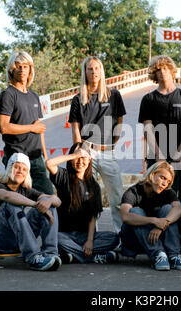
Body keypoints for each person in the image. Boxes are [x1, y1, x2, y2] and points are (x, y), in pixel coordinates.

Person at [69, 56, 126, 234]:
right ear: (84, 72)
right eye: (90, 69)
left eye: (97, 68)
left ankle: (120, 235)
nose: (94, 72)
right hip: (87, 151)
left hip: (107, 151)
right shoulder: (78, 99)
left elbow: (119, 119)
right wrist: (79, 150)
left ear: (102, 71)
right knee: (87, 196)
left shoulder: (113, 95)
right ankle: (89, 236)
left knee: (116, 196)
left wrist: (114, 141)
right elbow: (75, 126)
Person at [138, 55, 181, 210]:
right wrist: (158, 153)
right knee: (155, 196)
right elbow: (148, 128)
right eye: (158, 69)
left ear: (172, 71)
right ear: (154, 74)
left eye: (165, 68)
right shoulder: (148, 99)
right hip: (157, 155)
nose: (162, 72)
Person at [0, 153, 62, 271]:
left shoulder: (26, 190)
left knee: (48, 203)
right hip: (0, 242)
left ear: (27, 174)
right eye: (17, 167)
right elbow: (7, 196)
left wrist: (48, 201)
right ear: (10, 168)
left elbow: (58, 201)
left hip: (19, 241)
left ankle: (51, 253)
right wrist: (36, 204)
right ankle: (34, 257)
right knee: (11, 204)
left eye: (24, 169)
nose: (20, 171)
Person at [46, 142, 120, 264]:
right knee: (54, 238)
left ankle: (74, 256)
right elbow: (49, 163)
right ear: (71, 159)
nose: (80, 161)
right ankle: (92, 258)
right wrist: (74, 155)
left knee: (114, 238)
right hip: (65, 235)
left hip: (85, 235)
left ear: (90, 160)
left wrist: (90, 241)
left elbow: (93, 216)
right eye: (76, 157)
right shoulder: (63, 177)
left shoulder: (93, 185)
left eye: (83, 157)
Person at [0, 51, 53, 195]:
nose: (22, 69)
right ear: (11, 70)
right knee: (17, 200)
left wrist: (45, 156)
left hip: (36, 158)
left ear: (30, 70)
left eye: (25, 66)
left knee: (47, 197)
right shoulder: (7, 95)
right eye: (18, 66)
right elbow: (4, 127)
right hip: (16, 157)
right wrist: (31, 128)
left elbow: (39, 128)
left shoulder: (34, 96)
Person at [119, 161, 181, 271]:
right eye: (162, 178)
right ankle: (159, 255)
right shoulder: (134, 191)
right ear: (152, 175)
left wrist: (161, 224)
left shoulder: (167, 191)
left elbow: (178, 210)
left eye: (168, 181)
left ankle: (173, 256)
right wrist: (154, 221)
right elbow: (125, 216)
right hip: (136, 240)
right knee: (135, 211)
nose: (165, 184)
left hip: (158, 237)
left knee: (169, 209)